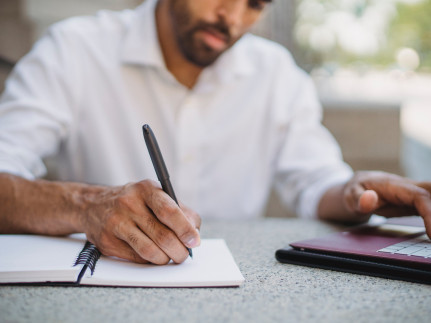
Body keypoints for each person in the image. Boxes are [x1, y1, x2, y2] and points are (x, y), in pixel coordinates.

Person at [0, 0, 430, 265]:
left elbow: (316, 182)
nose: (233, 18)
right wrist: (85, 205)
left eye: (255, 3)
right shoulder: (73, 49)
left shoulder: (275, 72)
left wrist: (355, 189)